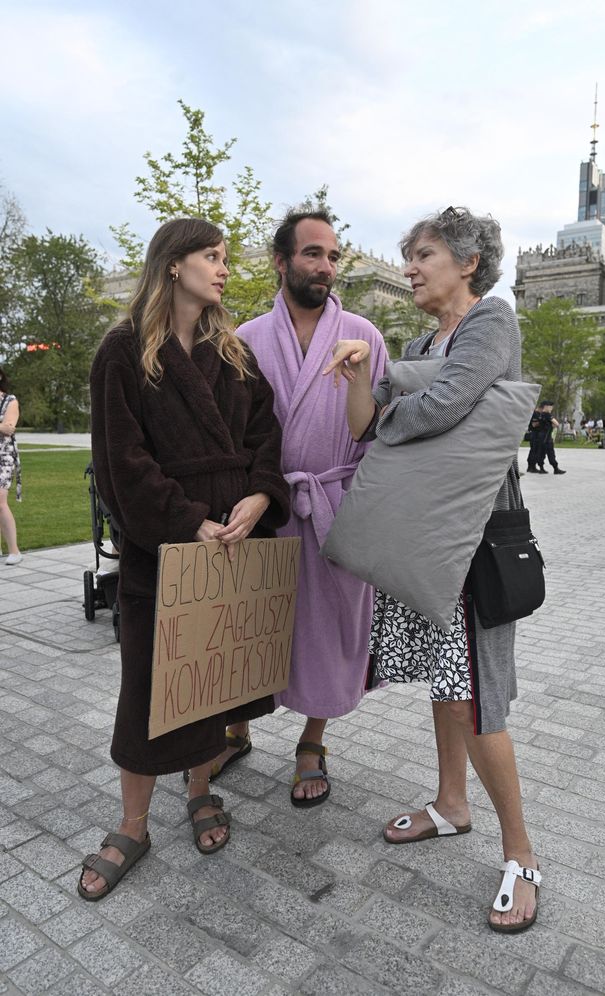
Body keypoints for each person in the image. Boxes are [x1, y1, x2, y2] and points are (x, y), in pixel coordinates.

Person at [325, 207, 540, 933]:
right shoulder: (416, 340)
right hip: (429, 538)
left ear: (467, 262)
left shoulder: (492, 323)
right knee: (450, 685)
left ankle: (523, 855)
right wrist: (362, 369)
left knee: (479, 694)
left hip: (474, 542)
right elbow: (362, 423)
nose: (411, 267)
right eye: (409, 256)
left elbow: (446, 404)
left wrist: (388, 393)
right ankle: (452, 803)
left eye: (422, 255)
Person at [81, 218, 290, 900]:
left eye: (225, 258)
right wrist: (184, 522)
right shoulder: (121, 352)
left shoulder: (231, 352)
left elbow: (267, 434)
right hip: (164, 548)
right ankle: (132, 823)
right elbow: (122, 462)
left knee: (209, 681)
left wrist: (260, 496)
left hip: (235, 538)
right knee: (147, 685)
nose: (224, 269)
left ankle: (200, 789)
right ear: (173, 264)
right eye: (211, 256)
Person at [198, 208, 387, 807]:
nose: (325, 266)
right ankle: (236, 728)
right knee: (253, 624)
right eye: (312, 254)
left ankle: (313, 739)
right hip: (267, 507)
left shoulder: (365, 336)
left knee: (329, 633)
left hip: (335, 506)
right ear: (281, 261)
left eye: (333, 256)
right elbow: (231, 434)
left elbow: (374, 434)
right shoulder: (245, 339)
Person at [0, 368, 22, 565]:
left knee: (0, 501)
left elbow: (8, 428)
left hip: (3, 456)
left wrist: (2, 426)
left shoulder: (10, 401)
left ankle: (14, 551)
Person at [539, 401, 566, 474]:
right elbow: (556, 423)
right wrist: (552, 425)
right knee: (551, 453)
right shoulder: (547, 415)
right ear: (546, 406)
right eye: (550, 406)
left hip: (541, 436)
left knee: (541, 453)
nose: (551, 408)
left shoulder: (541, 414)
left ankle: (541, 468)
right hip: (547, 437)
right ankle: (556, 469)